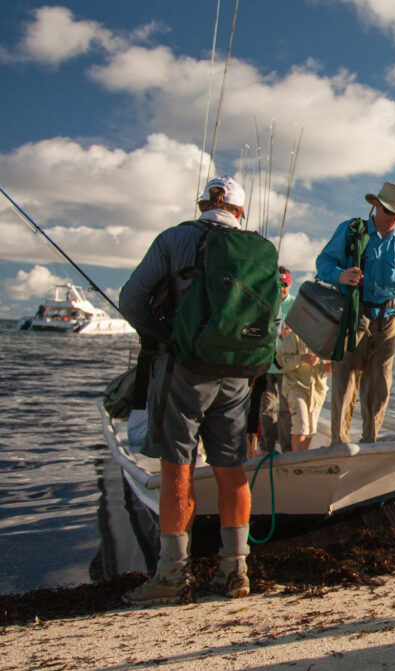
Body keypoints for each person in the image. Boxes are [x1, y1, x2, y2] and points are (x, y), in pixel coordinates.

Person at [118, 176, 260, 605]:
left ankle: (171, 575)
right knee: (232, 469)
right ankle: (235, 570)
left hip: (184, 368)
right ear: (239, 211)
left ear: (202, 204)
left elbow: (131, 300)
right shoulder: (255, 248)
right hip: (237, 373)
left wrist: (164, 336)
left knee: (177, 467)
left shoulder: (175, 238)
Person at [316, 181, 395, 444]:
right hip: (351, 316)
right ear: (375, 206)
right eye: (390, 211)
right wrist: (340, 275)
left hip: (387, 322)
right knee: (344, 383)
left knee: (380, 386)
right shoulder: (350, 231)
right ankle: (339, 443)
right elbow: (323, 263)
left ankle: (370, 442)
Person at [257, 267, 295, 455]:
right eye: (279, 284)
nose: (282, 288)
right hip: (266, 365)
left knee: (286, 411)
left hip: (286, 368)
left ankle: (287, 449)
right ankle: (266, 448)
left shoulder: (296, 306)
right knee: (266, 409)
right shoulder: (264, 303)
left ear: (290, 284)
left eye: (285, 284)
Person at [276, 324, 331, 451]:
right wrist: (301, 359)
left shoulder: (328, 338)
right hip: (295, 386)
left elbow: (332, 364)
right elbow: (280, 360)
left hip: (317, 390)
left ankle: (301, 463)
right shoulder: (295, 335)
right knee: (301, 425)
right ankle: (296, 466)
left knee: (311, 430)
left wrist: (330, 368)